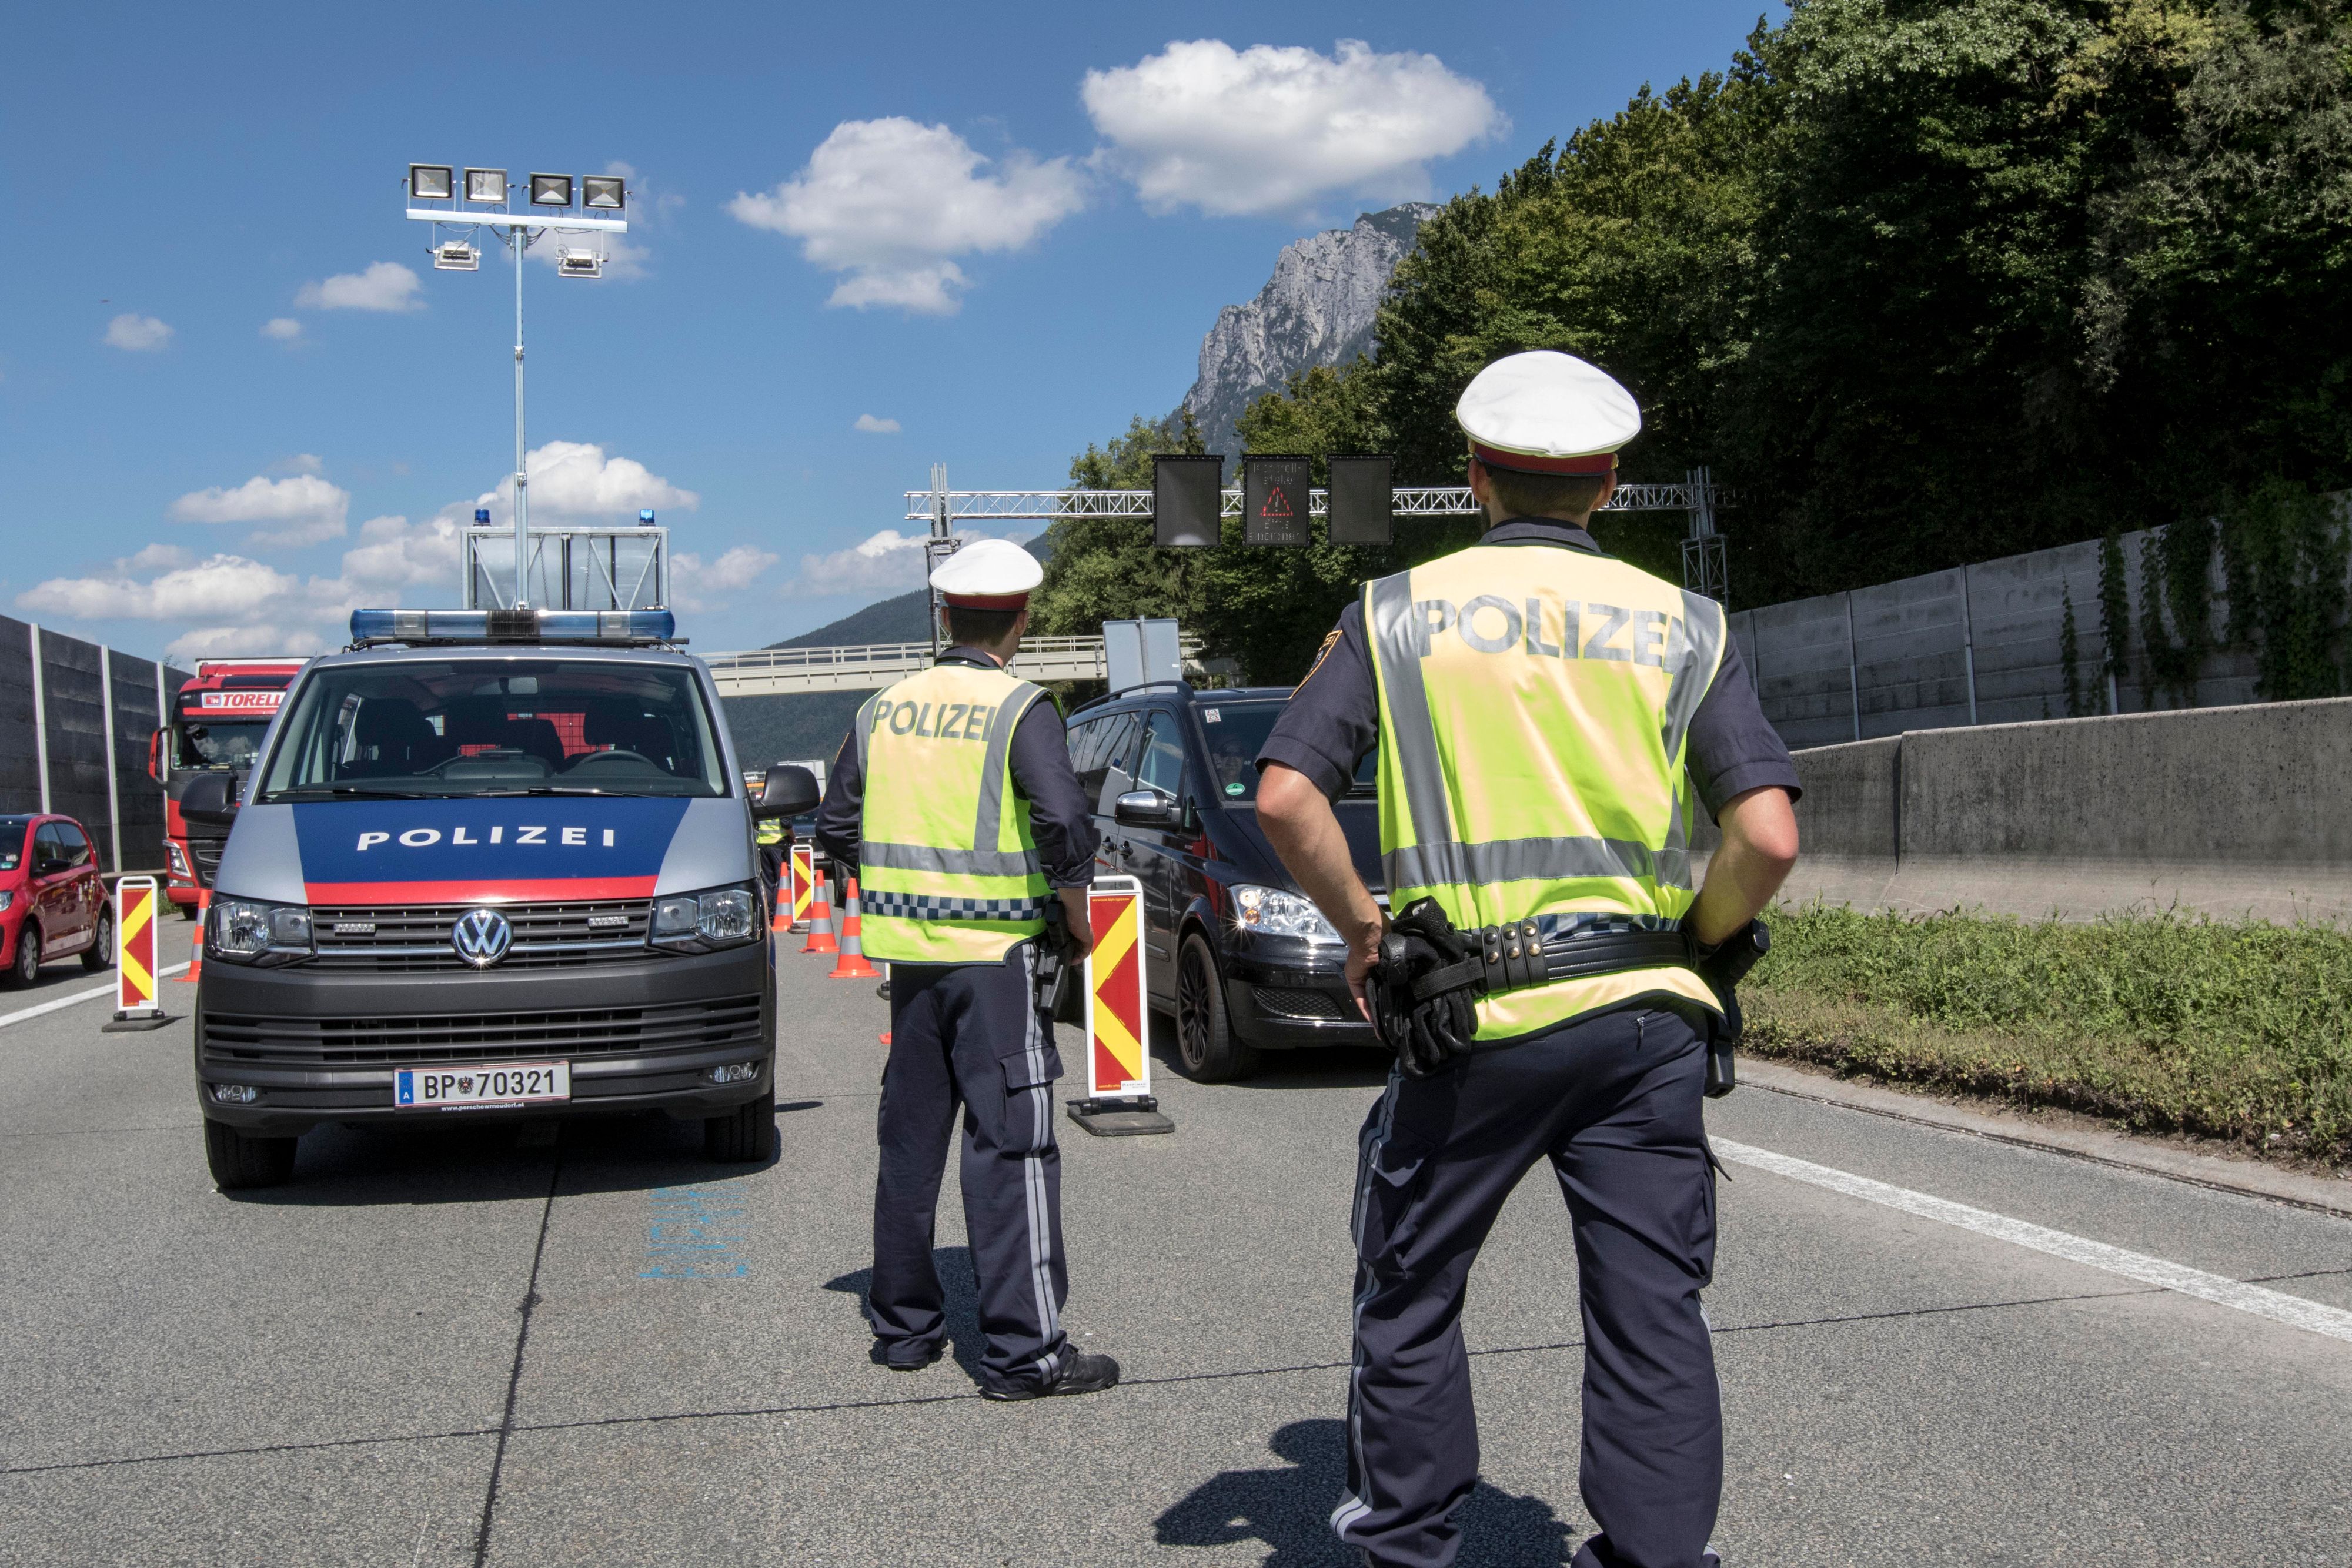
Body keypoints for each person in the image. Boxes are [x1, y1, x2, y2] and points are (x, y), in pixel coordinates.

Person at [1254, 350, 1802, 1568]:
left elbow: (1288, 796)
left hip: (1472, 1017)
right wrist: (1700, 944)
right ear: (1607, 483)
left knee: (1410, 1287)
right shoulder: (1685, 621)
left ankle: (1406, 1536)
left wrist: (1365, 933)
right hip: (1647, 1017)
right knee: (1650, 1307)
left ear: (1472, 477)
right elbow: (1765, 832)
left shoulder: (1394, 611)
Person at [813, 538, 1121, 1401]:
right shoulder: (1021, 708)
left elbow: (834, 830)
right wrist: (1073, 916)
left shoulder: (883, 710)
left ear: (944, 616)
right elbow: (1063, 822)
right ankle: (1025, 1356)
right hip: (995, 964)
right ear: (1021, 620)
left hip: (909, 967)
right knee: (1011, 1149)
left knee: (909, 1148)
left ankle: (904, 1334)